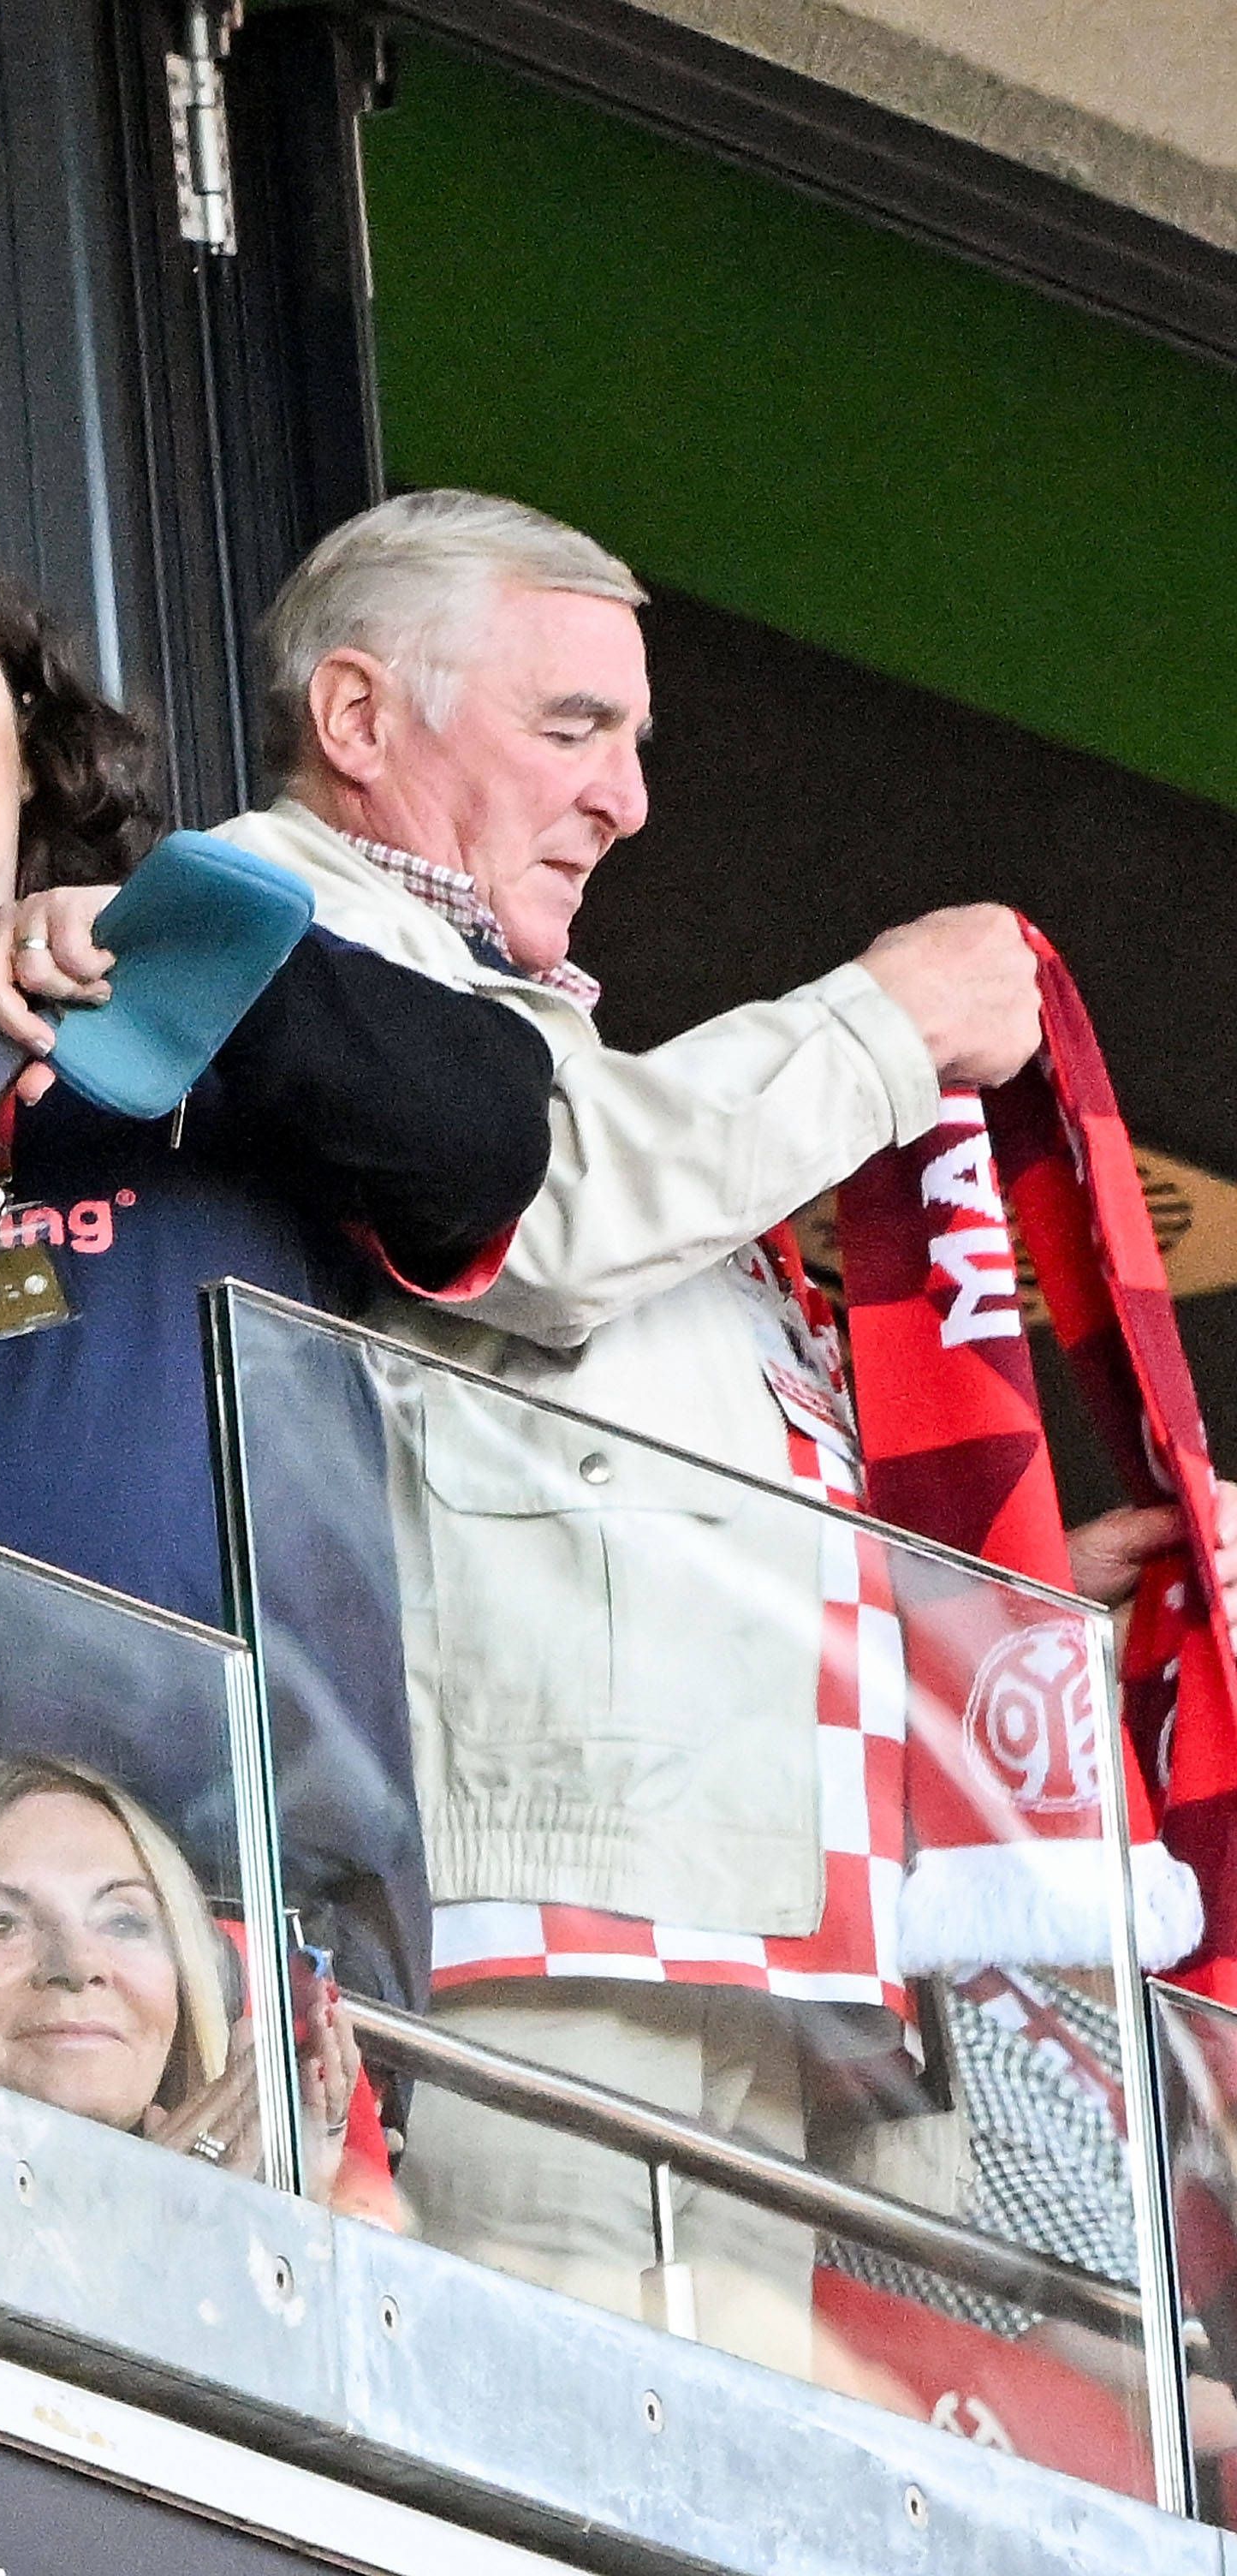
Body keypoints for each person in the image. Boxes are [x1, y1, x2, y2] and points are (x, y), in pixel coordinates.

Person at [193, 487, 1234, 2374]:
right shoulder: (262, 925)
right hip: (537, 1919)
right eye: (570, 727)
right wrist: (878, 1027)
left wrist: (1022, 1605)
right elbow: (548, 1223)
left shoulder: (536, 1025)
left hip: (727, 1925)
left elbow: (654, 1488)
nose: (625, 800)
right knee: (561, 2436)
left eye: (634, 742)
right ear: (355, 716)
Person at [0, 503, 556, 2010]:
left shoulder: (202, 991)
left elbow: (492, 1142)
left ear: (29, 751)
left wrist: (199, 957)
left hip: (246, 1921)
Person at [0, 1753, 361, 2191]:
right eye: (0, 1924)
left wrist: (293, 2211)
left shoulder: (266, 2224)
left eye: (125, 1922)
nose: (79, 1966)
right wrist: (153, 2233)